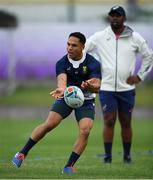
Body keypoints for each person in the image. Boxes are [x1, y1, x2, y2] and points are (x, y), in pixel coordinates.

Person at [12, 32, 102, 173]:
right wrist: (61, 89)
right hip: (67, 97)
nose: (69, 48)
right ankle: (22, 153)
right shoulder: (61, 63)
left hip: (86, 100)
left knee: (85, 130)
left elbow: (97, 86)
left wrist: (90, 86)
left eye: (74, 45)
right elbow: (62, 81)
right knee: (49, 124)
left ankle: (69, 166)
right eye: (68, 44)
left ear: (83, 47)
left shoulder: (93, 63)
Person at [85, 5, 153, 163]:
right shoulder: (100, 36)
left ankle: (127, 155)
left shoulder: (135, 37)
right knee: (109, 120)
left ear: (124, 18)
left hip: (127, 89)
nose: (115, 18)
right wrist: (90, 72)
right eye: (112, 15)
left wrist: (140, 76)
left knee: (126, 121)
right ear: (109, 17)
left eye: (118, 15)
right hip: (106, 88)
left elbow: (149, 56)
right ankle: (108, 157)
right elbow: (83, 50)